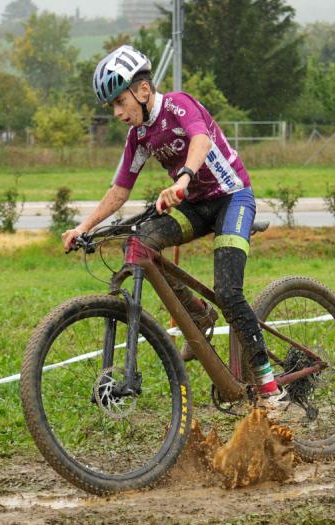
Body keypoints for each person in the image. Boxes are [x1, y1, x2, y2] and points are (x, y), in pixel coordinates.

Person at [62, 45, 286, 410]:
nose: (117, 113)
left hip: (232, 198)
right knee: (141, 242)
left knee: (229, 292)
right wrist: (83, 227)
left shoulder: (179, 105)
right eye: (113, 107)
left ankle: (268, 384)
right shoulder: (138, 137)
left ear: (144, 91)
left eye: (121, 102)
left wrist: (183, 178)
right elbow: (119, 190)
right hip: (195, 206)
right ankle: (197, 313)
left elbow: (201, 139)